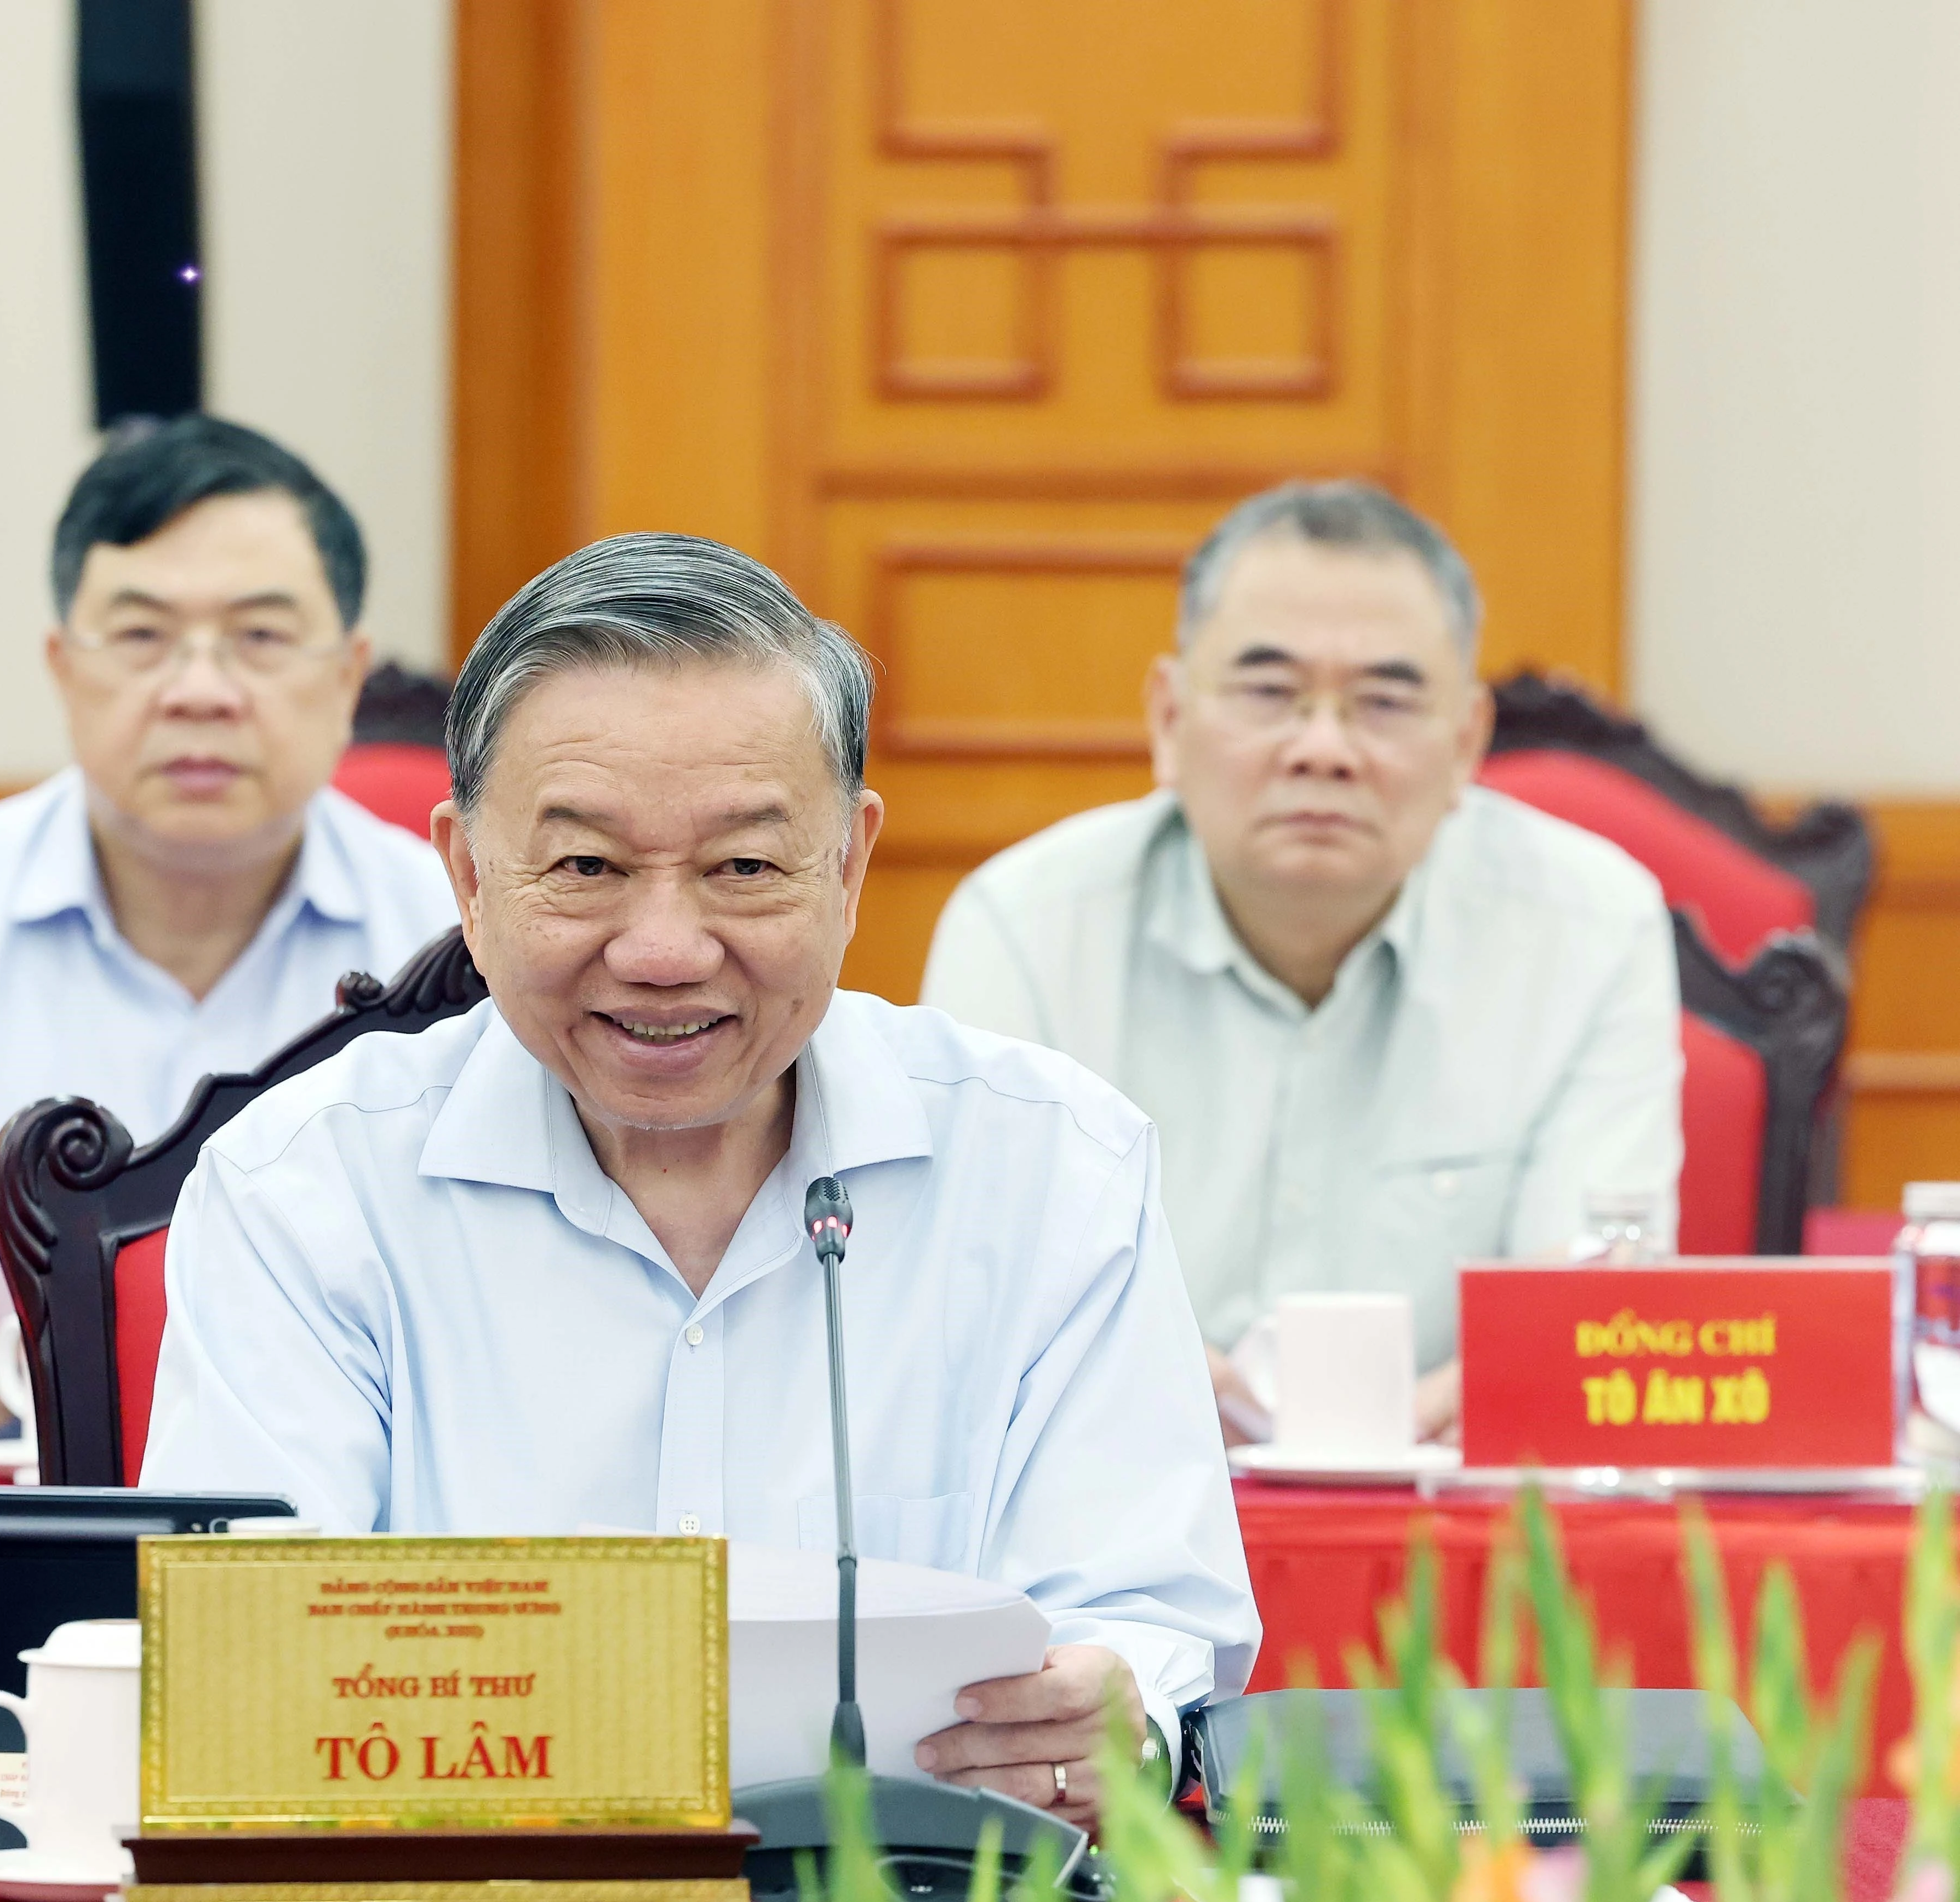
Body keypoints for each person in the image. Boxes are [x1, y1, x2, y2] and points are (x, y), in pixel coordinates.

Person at [141, 532, 1256, 1820]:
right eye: (584, 868)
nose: (664, 950)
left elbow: (1150, 1610)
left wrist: (1117, 1695)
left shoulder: (1050, 1164)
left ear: (846, 865)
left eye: (741, 867)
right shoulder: (305, 1188)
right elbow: (249, 1657)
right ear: (464, 874)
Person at [0, 416, 459, 1454]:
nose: (199, 691)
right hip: (7, 1530)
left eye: (260, 636)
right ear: (64, 667)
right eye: (143, 635)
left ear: (346, 674)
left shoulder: (463, 939)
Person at [920, 481, 1683, 1442]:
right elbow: (976, 1283)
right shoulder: (1026, 928)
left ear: (1465, 744)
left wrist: (1461, 1405)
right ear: (1167, 720)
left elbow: (1593, 1298)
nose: (1322, 748)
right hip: (1108, 1499)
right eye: (1269, 693)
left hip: (1454, 1515)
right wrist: (1148, 1387)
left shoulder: (1589, 929)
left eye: (1385, 701)